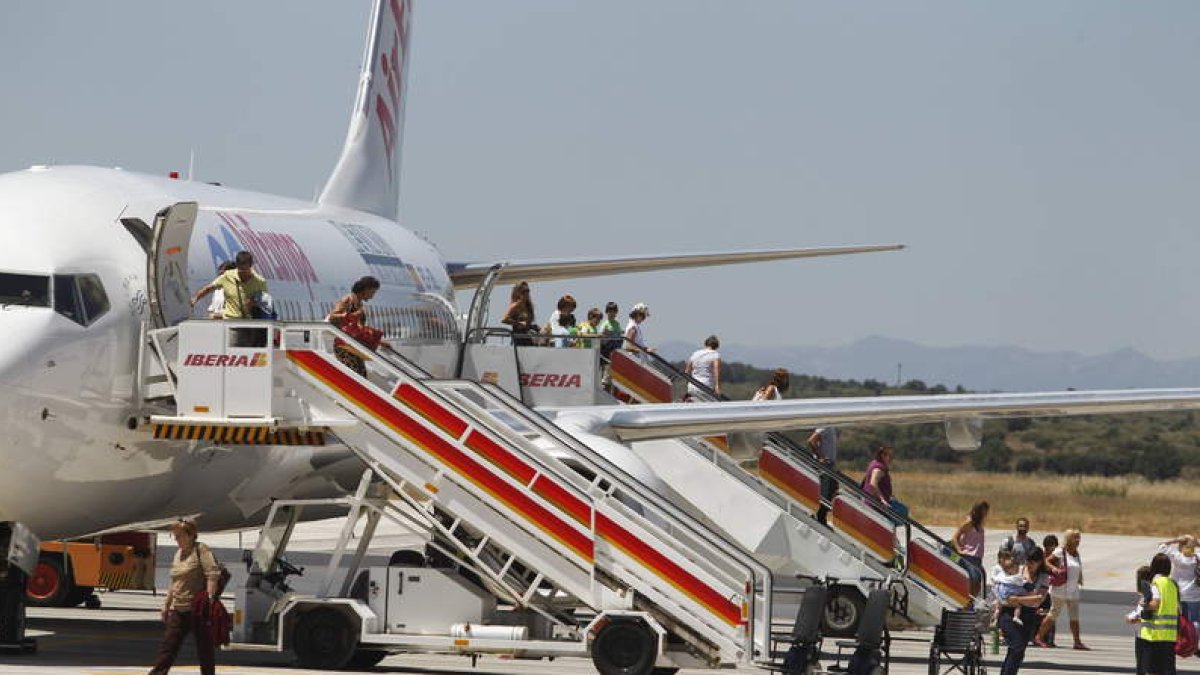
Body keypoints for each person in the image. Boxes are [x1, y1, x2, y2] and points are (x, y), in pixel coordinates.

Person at [149, 519, 220, 675]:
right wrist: (166, 605)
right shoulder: (178, 553)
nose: (176, 540)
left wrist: (209, 599)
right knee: (168, 646)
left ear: (191, 535)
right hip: (178, 609)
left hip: (196, 609)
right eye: (175, 536)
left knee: (204, 649)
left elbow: (212, 574)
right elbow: (174, 582)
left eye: (179, 536)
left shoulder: (201, 550)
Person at [996, 546, 1049, 675]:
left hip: (1029, 616)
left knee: (1018, 652)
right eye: (1027, 561)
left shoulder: (1043, 577)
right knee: (1016, 646)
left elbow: (1038, 601)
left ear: (1040, 562)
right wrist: (1029, 597)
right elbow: (1006, 595)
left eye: (1033, 562)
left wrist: (1018, 598)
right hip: (1010, 613)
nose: (1029, 564)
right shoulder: (1017, 570)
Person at [1037, 528, 1088, 650]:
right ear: (1069, 539)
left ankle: (1077, 642)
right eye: (1075, 538)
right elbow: (1046, 561)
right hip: (1060, 589)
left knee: (1074, 617)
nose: (1078, 540)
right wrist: (1054, 569)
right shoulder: (1061, 551)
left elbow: (1077, 568)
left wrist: (1080, 578)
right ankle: (1038, 637)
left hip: (1073, 590)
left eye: (1079, 538)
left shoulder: (1076, 553)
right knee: (1053, 614)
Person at [327, 276, 386, 377]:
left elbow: (358, 329)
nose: (372, 296)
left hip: (355, 346)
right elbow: (332, 317)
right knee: (354, 377)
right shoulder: (348, 300)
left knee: (362, 375)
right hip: (344, 346)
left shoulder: (359, 303)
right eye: (372, 292)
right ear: (366, 289)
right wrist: (348, 316)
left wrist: (379, 341)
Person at [189, 250, 269, 320]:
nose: (243, 275)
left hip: (249, 322)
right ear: (237, 266)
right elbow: (208, 288)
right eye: (241, 271)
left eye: (245, 271)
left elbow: (266, 303)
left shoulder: (259, 282)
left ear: (251, 266)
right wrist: (195, 299)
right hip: (231, 321)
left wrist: (254, 302)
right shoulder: (227, 276)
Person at [1140, 553, 1179, 675]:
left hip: (1155, 635)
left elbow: (1155, 604)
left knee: (1153, 671)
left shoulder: (1156, 583)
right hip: (1170, 636)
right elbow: (1177, 608)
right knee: (1167, 670)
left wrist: (1144, 605)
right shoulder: (1173, 584)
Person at [1159, 534, 1200, 628]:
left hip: (1178, 594)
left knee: (1181, 620)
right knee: (1195, 620)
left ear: (1181, 546)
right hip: (1195, 595)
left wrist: (1175, 540)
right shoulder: (1197, 558)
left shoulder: (1177, 558)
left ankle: (1184, 639)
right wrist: (1196, 542)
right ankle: (1195, 639)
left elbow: (1161, 546)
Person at [860, 443, 907, 520]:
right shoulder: (879, 468)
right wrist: (882, 499)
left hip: (873, 502)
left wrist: (890, 495)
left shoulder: (875, 463)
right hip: (875, 504)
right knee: (903, 511)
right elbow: (873, 484)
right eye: (890, 456)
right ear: (883, 456)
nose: (892, 459)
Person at [952, 501, 989, 597]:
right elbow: (955, 537)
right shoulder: (969, 523)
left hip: (977, 557)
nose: (985, 513)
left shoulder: (980, 523)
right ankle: (968, 602)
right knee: (974, 579)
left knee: (978, 581)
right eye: (983, 511)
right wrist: (959, 549)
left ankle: (971, 603)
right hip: (969, 556)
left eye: (986, 511)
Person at [1126, 565, 1155, 675]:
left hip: (1145, 635)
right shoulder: (1150, 593)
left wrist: (1133, 618)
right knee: (1144, 666)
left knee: (1144, 667)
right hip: (1142, 634)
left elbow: (1144, 613)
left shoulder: (1147, 595)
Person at [807, 427, 838, 524]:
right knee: (825, 492)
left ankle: (822, 515)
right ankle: (819, 515)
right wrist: (820, 457)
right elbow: (811, 441)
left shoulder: (830, 428)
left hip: (830, 464)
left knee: (832, 488)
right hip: (825, 465)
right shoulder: (825, 427)